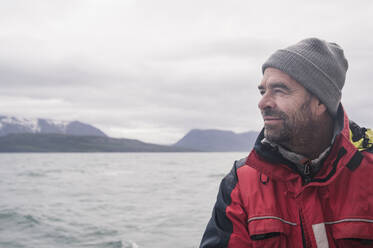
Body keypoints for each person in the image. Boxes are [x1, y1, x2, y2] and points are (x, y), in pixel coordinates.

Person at [200, 38, 373, 248]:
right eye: (263, 91)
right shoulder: (240, 183)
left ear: (320, 101)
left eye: (279, 90)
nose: (262, 103)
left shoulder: (368, 170)